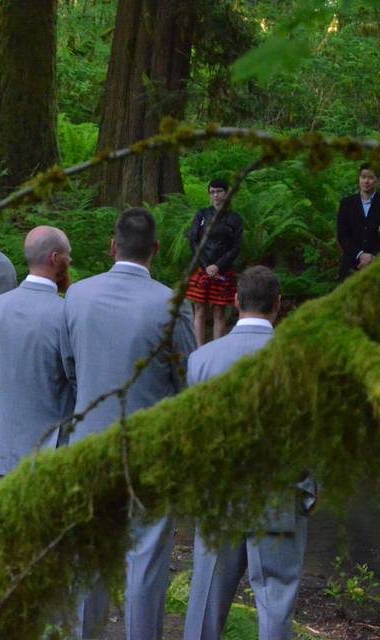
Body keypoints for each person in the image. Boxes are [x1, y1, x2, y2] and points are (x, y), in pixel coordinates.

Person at [60, 207, 196, 640]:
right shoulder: (173, 304)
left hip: (88, 446)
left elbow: (67, 365)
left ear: (112, 246)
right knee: (146, 561)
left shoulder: (77, 296)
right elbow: (186, 380)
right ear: (155, 249)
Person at [184, 266, 316, 640]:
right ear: (278, 304)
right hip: (278, 494)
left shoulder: (202, 360)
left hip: (218, 495)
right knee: (275, 602)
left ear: (236, 300)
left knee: (206, 599)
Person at [0, 226, 75, 477]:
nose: (70, 262)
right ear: (55, 259)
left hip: (4, 449)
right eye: (68, 256)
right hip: (50, 449)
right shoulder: (65, 313)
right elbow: (75, 378)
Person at [186, 179, 243, 346]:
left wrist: (218, 266)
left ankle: (217, 349)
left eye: (219, 191)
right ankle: (198, 349)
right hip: (202, 268)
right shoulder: (202, 214)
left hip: (224, 270)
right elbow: (193, 240)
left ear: (227, 193)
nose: (215, 195)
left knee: (219, 311)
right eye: (212, 192)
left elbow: (236, 247)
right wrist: (206, 266)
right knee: (199, 310)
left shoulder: (235, 219)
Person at [336, 162, 379, 280]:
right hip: (350, 265)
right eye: (363, 177)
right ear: (359, 178)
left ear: (377, 180)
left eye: (370, 177)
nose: (366, 181)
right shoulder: (346, 204)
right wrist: (360, 255)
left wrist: (373, 257)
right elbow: (342, 235)